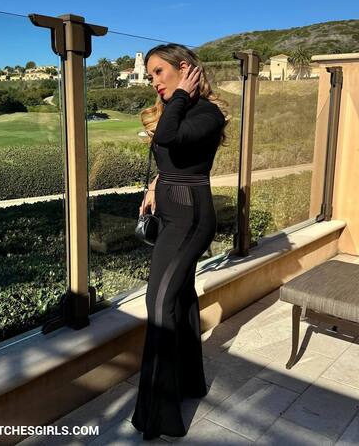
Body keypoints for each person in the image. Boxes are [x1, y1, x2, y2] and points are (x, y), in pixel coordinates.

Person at [131, 43, 230, 440]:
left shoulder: (207, 112)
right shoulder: (179, 109)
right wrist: (155, 184)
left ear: (185, 69)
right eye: (150, 75)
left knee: (158, 303)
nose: (154, 81)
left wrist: (182, 96)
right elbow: (171, 157)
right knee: (179, 297)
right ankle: (189, 382)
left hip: (190, 219)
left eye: (159, 72)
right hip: (173, 213)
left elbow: (169, 137)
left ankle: (158, 415)